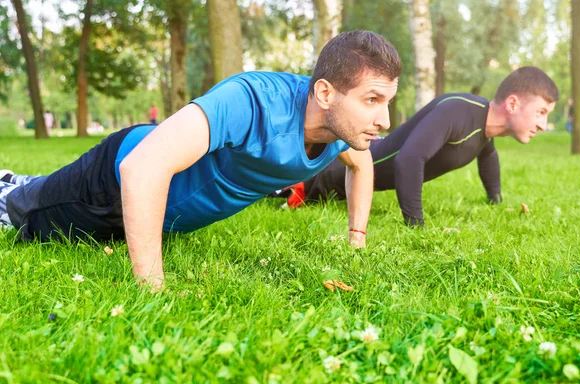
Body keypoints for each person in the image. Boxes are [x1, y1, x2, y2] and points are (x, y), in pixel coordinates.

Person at [0, 31, 401, 290]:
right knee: (23, 213)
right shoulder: (253, 101)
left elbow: (361, 165)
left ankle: (16, 179)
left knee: (40, 189)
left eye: (388, 102)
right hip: (113, 183)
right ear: (326, 93)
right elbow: (141, 169)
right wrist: (151, 290)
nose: (384, 120)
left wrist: (356, 237)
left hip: (151, 195)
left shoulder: (342, 132)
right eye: (372, 100)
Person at [279, 66, 558, 226]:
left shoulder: (483, 130)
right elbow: (410, 158)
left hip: (355, 177)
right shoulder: (459, 110)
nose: (543, 124)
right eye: (541, 112)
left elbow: (488, 158)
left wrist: (495, 201)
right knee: (274, 185)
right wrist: (415, 224)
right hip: (328, 173)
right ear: (512, 103)